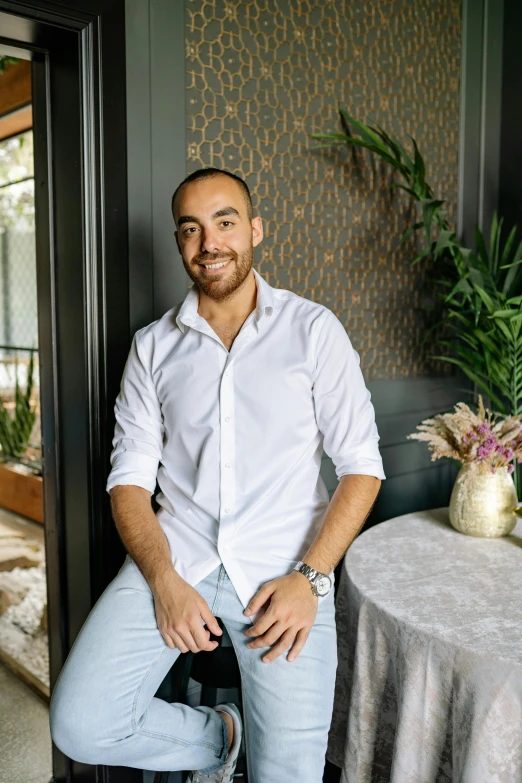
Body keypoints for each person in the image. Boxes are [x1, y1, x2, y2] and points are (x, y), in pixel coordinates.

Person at [49, 167, 386, 782]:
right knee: (80, 723)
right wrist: (163, 579)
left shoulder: (313, 331)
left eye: (225, 221)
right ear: (180, 243)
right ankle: (224, 735)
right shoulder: (151, 348)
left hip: (286, 575)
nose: (210, 242)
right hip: (177, 561)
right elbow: (127, 482)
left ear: (255, 228)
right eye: (191, 229)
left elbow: (362, 467)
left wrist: (311, 580)